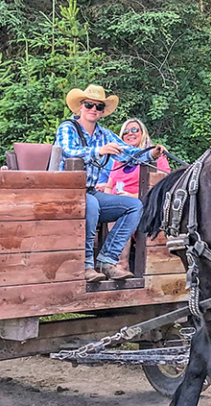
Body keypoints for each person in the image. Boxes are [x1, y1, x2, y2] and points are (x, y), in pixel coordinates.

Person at [55, 84, 166, 283]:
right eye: (89, 105)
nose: (93, 110)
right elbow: (68, 150)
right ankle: (86, 265)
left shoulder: (104, 134)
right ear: (81, 106)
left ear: (102, 112)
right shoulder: (68, 128)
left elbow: (127, 152)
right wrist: (99, 151)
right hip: (66, 193)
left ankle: (107, 260)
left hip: (90, 192)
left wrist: (151, 153)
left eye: (98, 107)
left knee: (134, 206)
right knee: (92, 204)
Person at [103, 118, 171, 196]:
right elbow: (109, 187)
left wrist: (133, 196)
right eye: (125, 132)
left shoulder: (156, 156)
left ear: (143, 133)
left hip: (142, 204)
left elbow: (162, 188)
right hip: (115, 203)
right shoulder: (119, 159)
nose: (130, 133)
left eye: (134, 130)